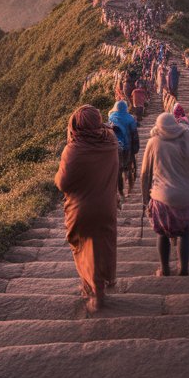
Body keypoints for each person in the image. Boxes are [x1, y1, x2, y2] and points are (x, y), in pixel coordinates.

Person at [55, 105, 120, 312]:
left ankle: (95, 290)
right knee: (104, 245)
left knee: (84, 248)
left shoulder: (73, 150)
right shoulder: (110, 142)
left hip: (82, 209)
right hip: (106, 205)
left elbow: (63, 183)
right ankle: (104, 280)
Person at [140, 112, 189, 276]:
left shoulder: (154, 142)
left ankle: (165, 269)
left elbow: (145, 174)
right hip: (187, 196)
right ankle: (184, 269)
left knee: (162, 233)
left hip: (163, 197)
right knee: (185, 231)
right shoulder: (186, 139)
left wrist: (145, 199)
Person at [108, 100, 140, 198]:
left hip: (116, 148)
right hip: (128, 147)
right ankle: (130, 189)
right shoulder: (130, 118)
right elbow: (134, 135)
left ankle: (121, 191)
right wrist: (136, 148)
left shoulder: (111, 117)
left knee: (118, 169)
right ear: (125, 108)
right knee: (129, 167)